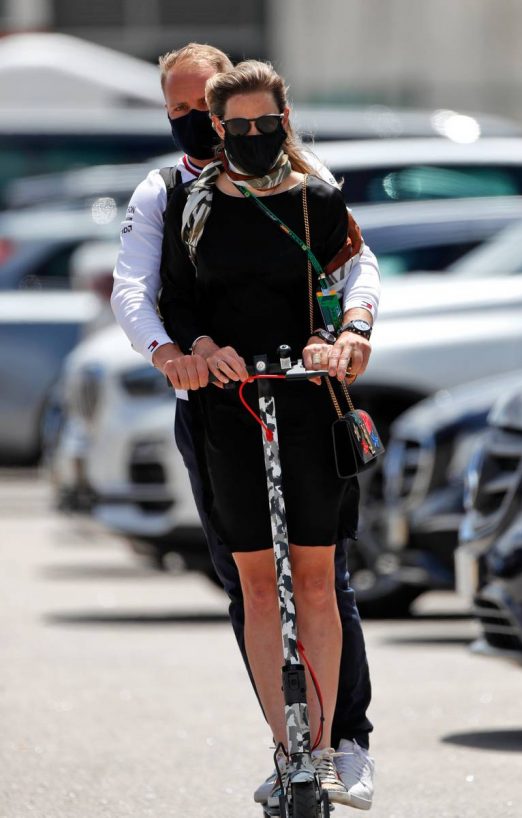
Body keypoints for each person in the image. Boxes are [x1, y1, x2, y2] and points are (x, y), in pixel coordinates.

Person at [111, 43, 379, 810]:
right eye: (187, 114)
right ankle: (287, 747)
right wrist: (177, 351)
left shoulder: (312, 186)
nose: (206, 125)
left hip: (305, 398)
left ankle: (339, 742)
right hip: (220, 406)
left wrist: (350, 330)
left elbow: (351, 268)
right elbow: (144, 290)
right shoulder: (170, 196)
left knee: (324, 579)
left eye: (214, 109)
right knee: (251, 585)